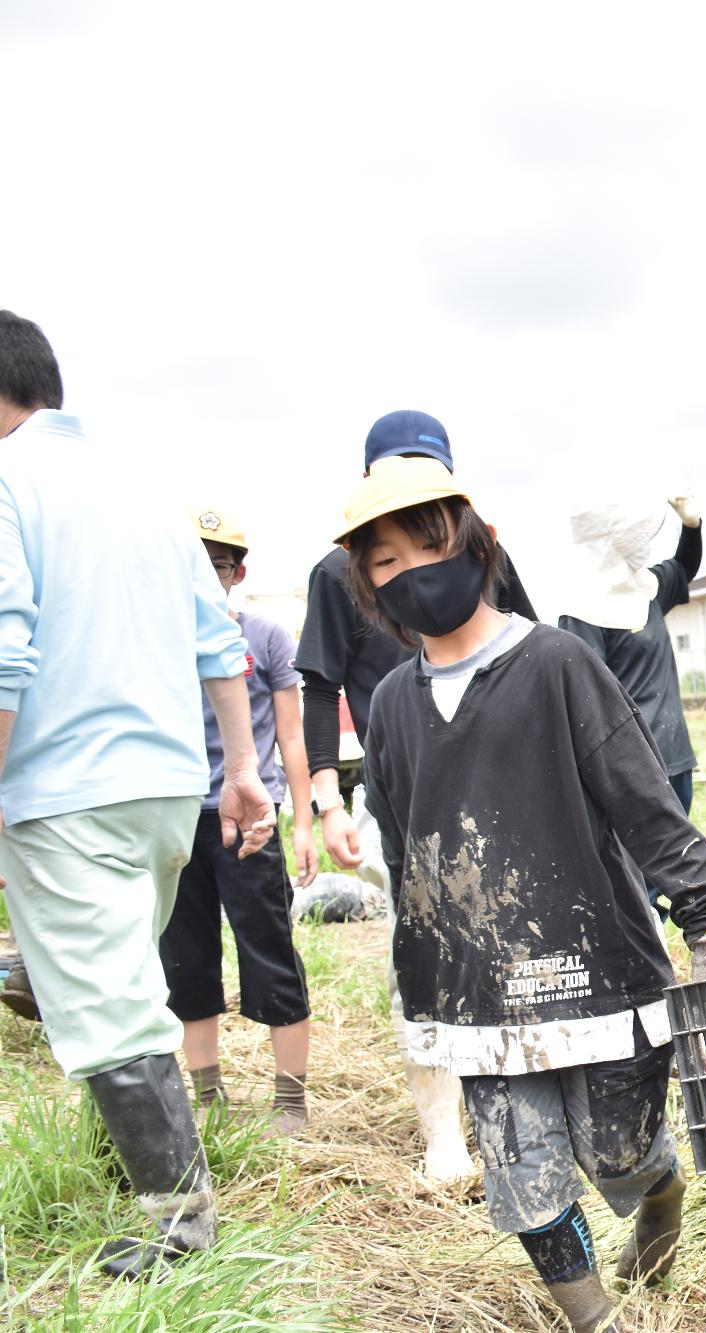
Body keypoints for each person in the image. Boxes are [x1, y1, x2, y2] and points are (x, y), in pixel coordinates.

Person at [341, 458, 706, 1332]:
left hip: (596, 970)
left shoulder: (554, 661)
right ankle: (595, 1317)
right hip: (477, 989)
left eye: (427, 544)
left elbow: (641, 797)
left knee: (620, 1153)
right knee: (525, 1179)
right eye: (382, 561)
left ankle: (659, 1193)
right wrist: (419, 984)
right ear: (363, 585)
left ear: (476, 544)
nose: (409, 570)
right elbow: (403, 850)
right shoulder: (390, 705)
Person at [0, 311, 276, 1277]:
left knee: (112, 1002)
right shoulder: (144, 489)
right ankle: (127, 1170)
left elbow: (3, 649)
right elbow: (218, 643)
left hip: (61, 788)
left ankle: (181, 1227)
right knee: (114, 976)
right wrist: (240, 771)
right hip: (166, 790)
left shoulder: (4, 481)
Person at [293, 409, 538, 1181]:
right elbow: (318, 682)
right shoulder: (340, 571)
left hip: (500, 774)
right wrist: (327, 798)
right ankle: (444, 1133)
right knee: (424, 945)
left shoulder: (480, 549)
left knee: (516, 930)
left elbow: (527, 643)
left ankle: (524, 1099)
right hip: (406, 791)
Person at [157, 507, 316, 1135]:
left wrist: (302, 820)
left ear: (236, 571)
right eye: (192, 563)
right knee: (185, 957)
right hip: (176, 814)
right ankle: (208, 1097)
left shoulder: (267, 636)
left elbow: (292, 735)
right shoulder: (157, 637)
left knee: (269, 947)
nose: (204, 574)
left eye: (216, 564)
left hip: (249, 817)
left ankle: (290, 1099)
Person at [555, 492, 703, 822]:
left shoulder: (646, 590)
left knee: (679, 865)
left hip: (675, 755)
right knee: (634, 871)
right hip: (632, 769)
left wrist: (691, 526)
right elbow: (588, 702)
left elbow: (683, 567)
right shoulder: (582, 611)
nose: (643, 544)